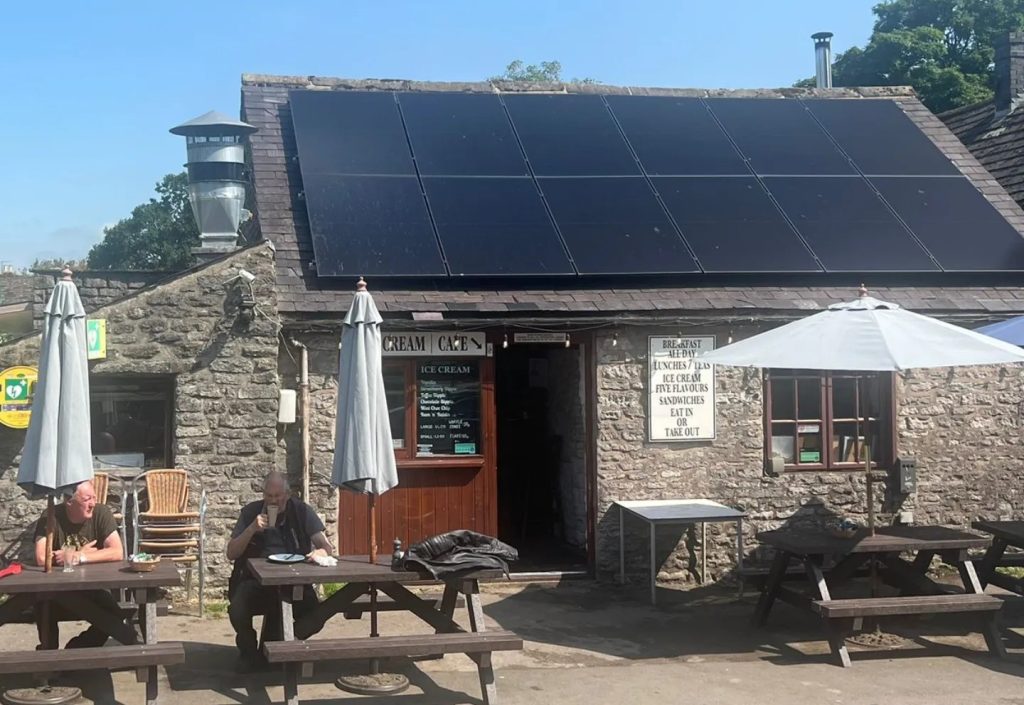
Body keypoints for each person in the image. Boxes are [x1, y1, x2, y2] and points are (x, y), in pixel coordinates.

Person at [226, 472, 334, 672]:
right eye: (269, 496)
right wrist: (251, 530)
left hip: (295, 582)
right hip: (256, 582)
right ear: (263, 495)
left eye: (278, 496)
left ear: (288, 494)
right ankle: (249, 652)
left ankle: (281, 644)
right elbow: (231, 553)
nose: (273, 500)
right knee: (237, 609)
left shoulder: (301, 511)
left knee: (316, 614)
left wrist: (320, 550)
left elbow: (326, 546)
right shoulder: (251, 513)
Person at [32, 480, 126, 649]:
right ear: (69, 502)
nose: (92, 503)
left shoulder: (101, 512)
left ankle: (74, 651)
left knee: (116, 616)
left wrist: (79, 556)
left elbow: (117, 552)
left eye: (94, 498)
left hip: (92, 589)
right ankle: (49, 659)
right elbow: (40, 557)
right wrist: (85, 552)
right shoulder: (51, 515)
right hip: (57, 591)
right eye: (86, 499)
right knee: (43, 605)